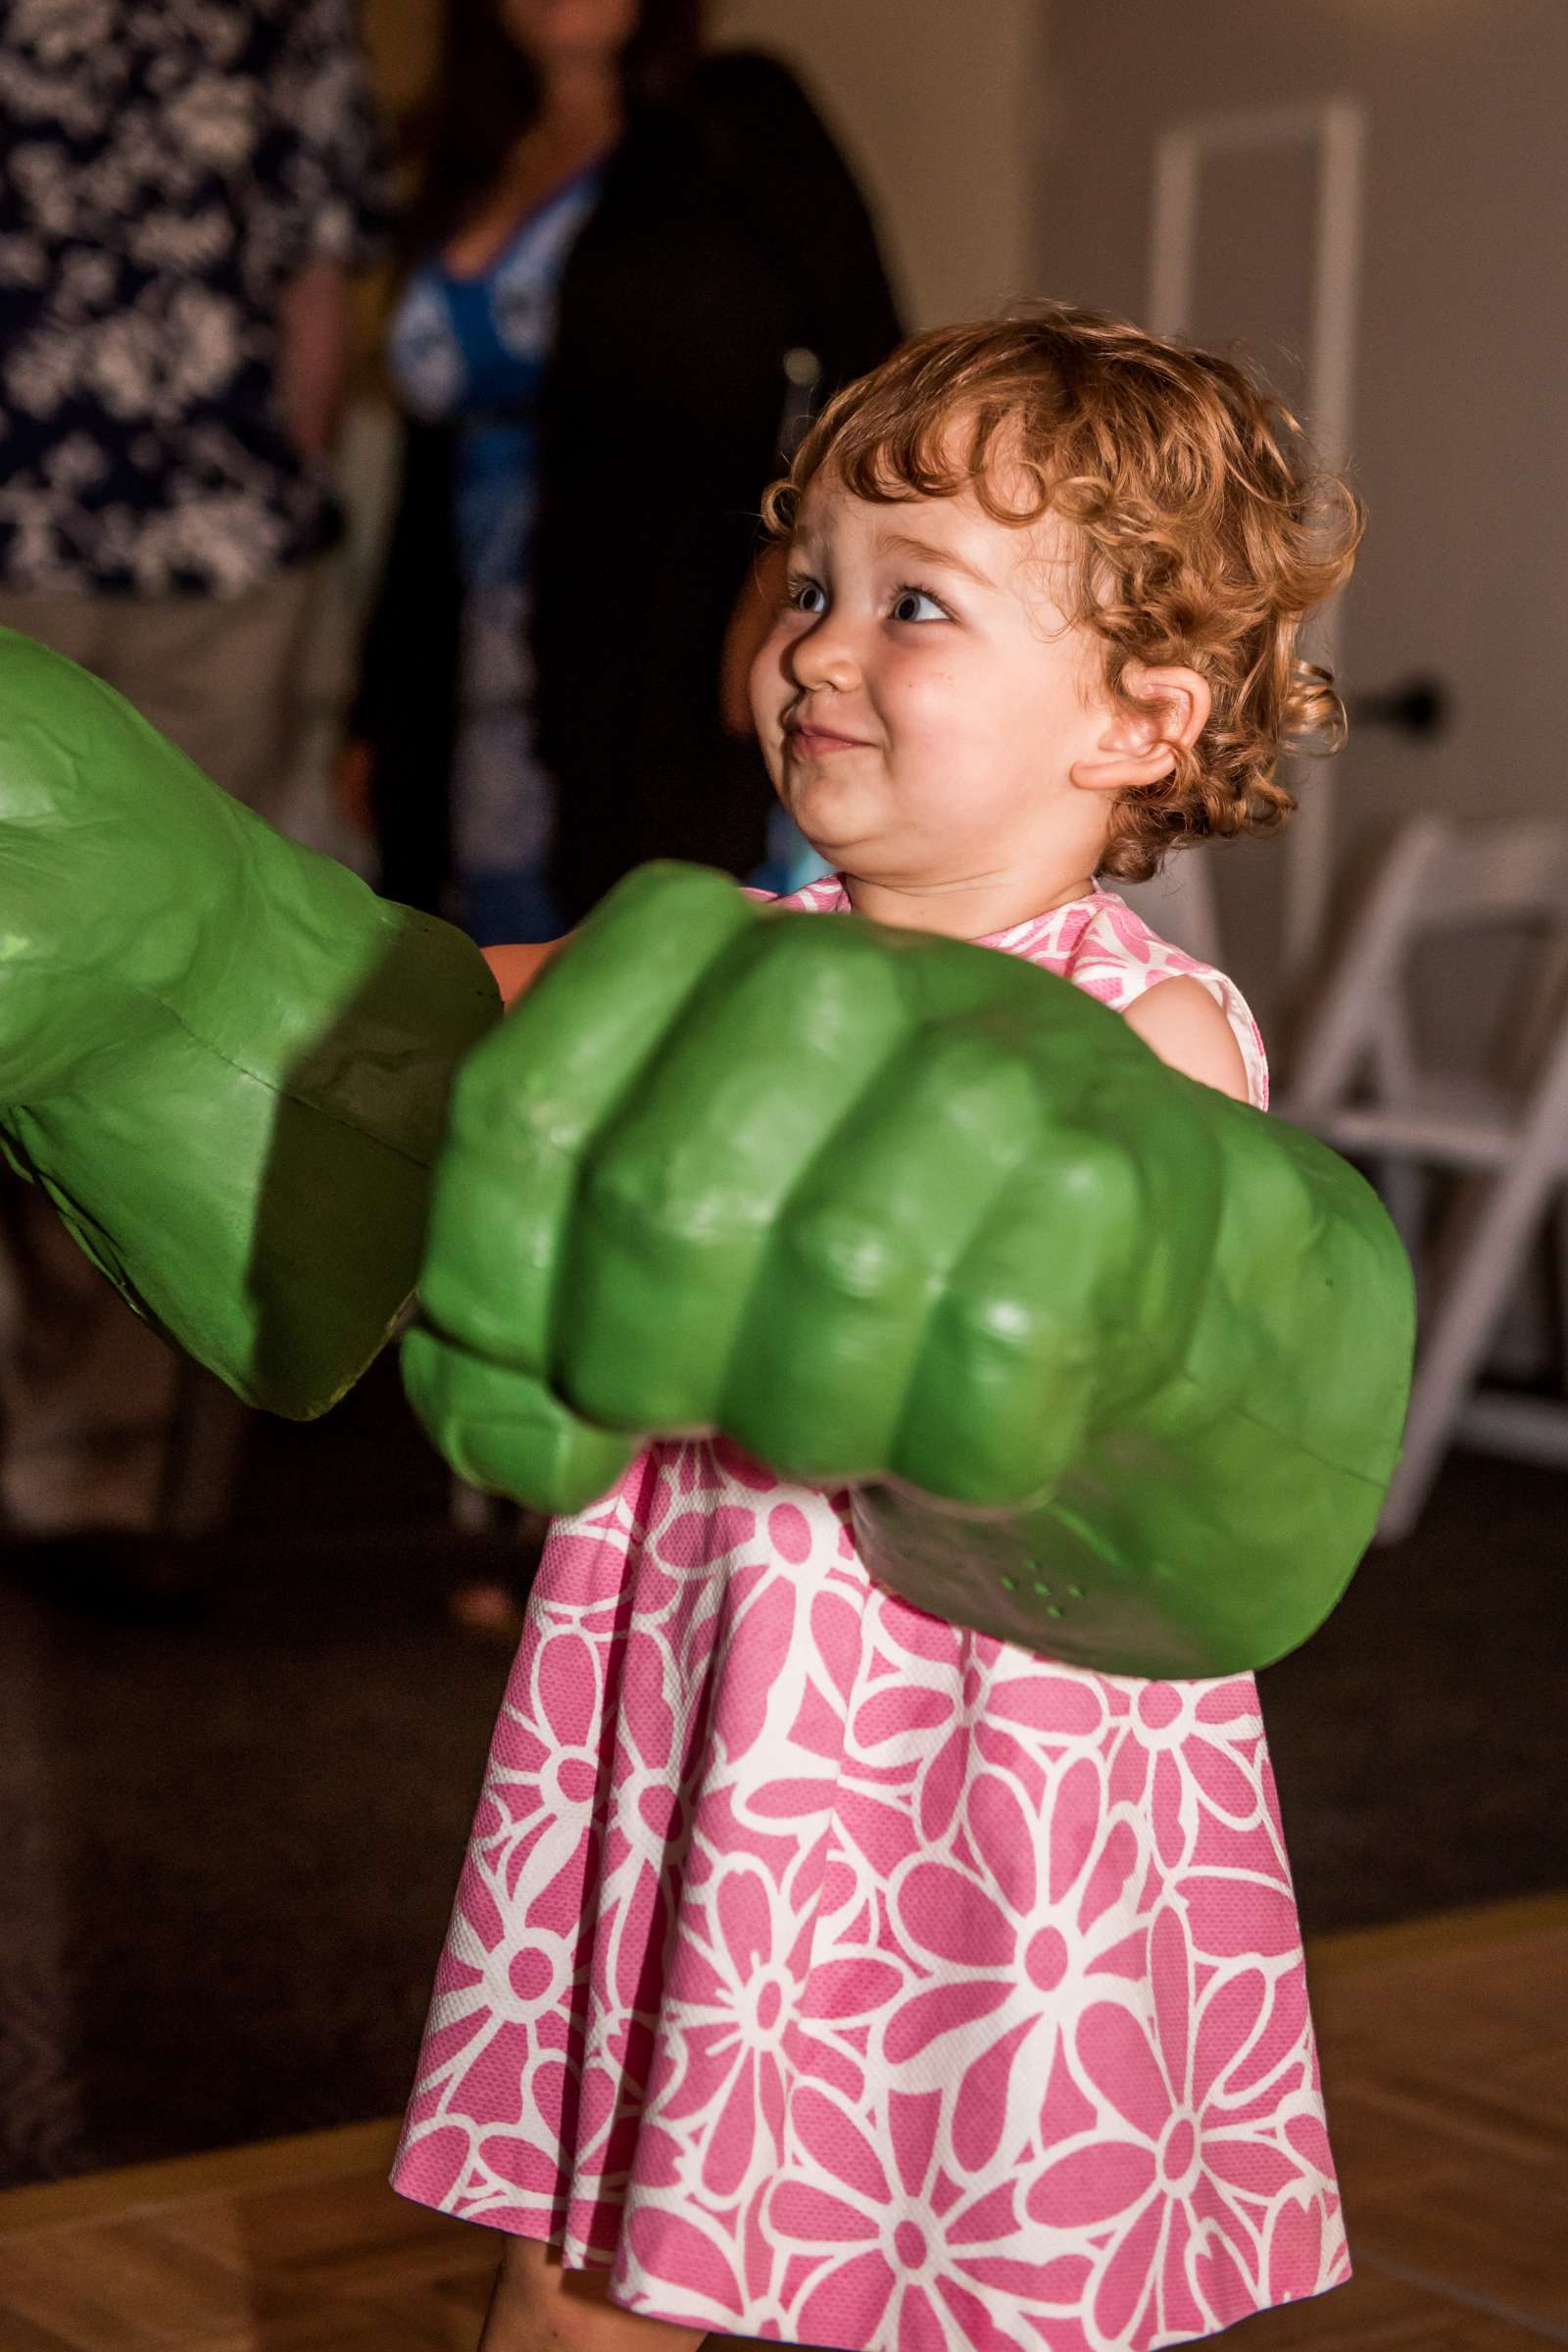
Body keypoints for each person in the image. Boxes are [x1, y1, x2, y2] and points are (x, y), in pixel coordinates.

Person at [389, 307, 1380, 2352]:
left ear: (1137, 717)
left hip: (977, 1775)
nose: (814, 646)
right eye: (810, 583)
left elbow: (1174, 1332)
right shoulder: (727, 951)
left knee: (969, 2233)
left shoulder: (1142, 1033)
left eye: (908, 602)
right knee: (592, 2239)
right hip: (696, 1729)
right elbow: (413, 1033)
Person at [0, 0, 387, 1565]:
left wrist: (280, 492)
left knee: (162, 1007)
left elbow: (318, 257)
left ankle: (107, 1475)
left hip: (214, 568)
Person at [345, 0, 901, 944]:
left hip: (666, 652)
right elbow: (422, 478)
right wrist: (379, 708)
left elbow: (877, 369)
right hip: (478, 676)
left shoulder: (737, 112)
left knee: (660, 973)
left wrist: (786, 571)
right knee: (492, 976)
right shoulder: (468, 161)